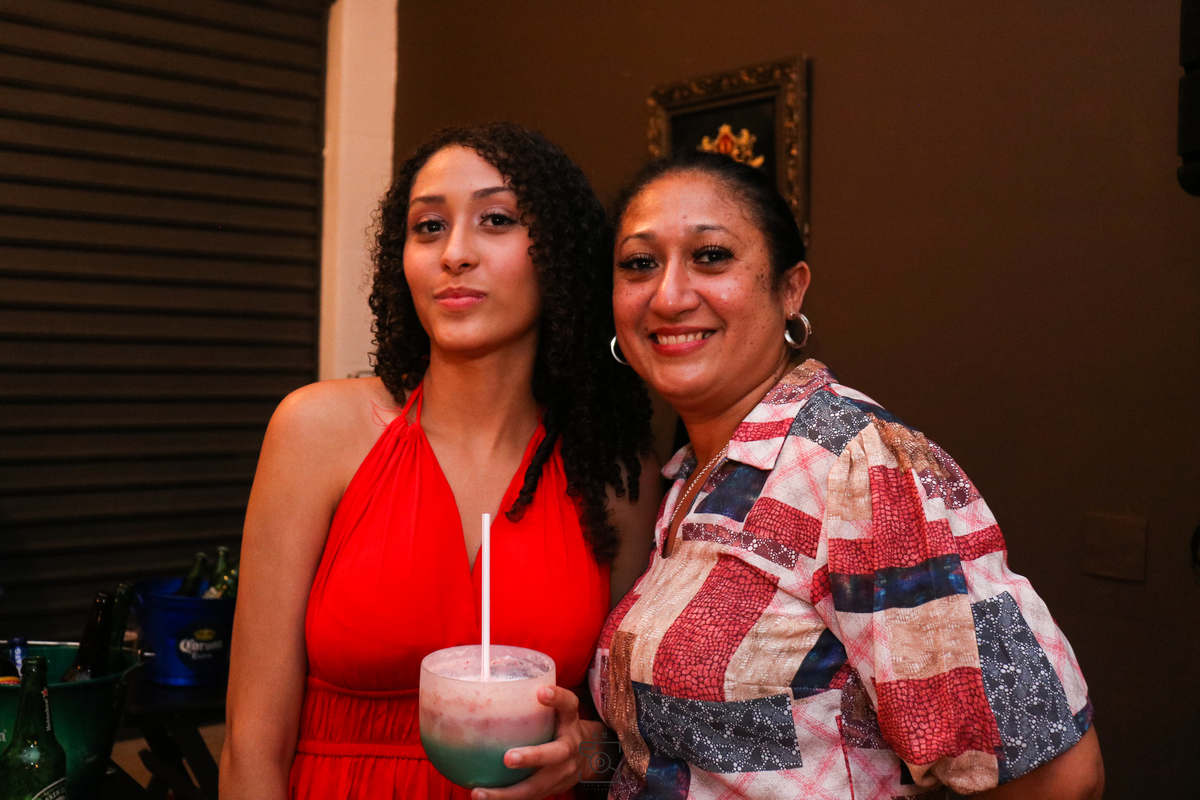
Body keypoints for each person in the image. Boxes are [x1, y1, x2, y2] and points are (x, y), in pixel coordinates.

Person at [586, 151, 1105, 799]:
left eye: (711, 256)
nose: (668, 296)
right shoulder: (701, 474)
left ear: (790, 290)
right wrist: (588, 753)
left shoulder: (859, 468)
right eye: (640, 264)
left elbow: (1058, 780)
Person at [219, 122, 660, 800]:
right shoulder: (317, 431)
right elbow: (250, 746)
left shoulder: (614, 471)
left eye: (496, 220)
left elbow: (627, 741)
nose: (454, 253)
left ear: (560, 256)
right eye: (429, 227)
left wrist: (584, 753)